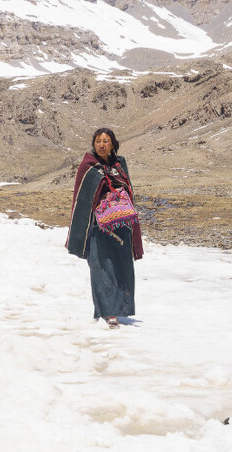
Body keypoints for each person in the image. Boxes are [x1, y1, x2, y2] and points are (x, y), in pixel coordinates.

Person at [66, 127, 143, 326]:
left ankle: (121, 308)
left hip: (122, 225)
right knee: (101, 268)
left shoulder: (120, 165)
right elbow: (82, 198)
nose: (101, 144)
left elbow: (128, 190)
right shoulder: (88, 166)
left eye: (106, 141)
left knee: (122, 266)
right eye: (98, 141)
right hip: (98, 227)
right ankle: (107, 311)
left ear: (112, 144)